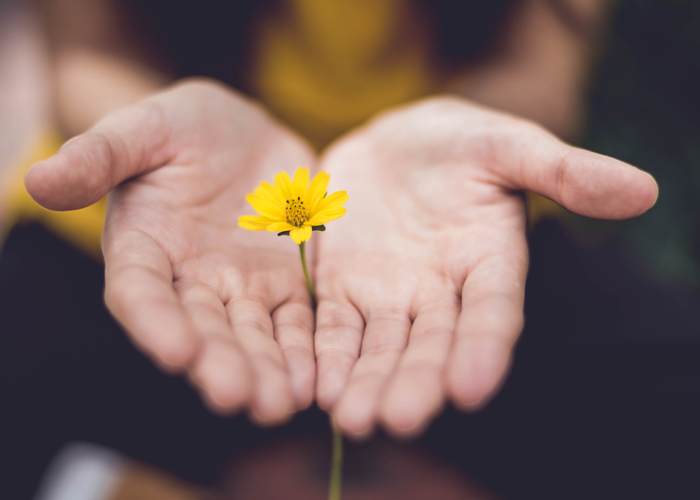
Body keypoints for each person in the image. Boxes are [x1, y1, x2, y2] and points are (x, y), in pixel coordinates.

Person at [16, 0, 659, 438]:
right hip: (171, 219)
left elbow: (539, 67)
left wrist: (469, 132)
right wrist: (145, 126)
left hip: (448, 225)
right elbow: (87, 50)